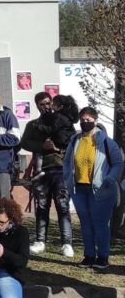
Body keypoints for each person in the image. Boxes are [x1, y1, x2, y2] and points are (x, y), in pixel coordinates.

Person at [62, 106, 123, 271]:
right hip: (79, 189)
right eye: (82, 120)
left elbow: (117, 163)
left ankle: (103, 257)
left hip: (101, 190)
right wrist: (67, 177)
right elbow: (67, 161)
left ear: (95, 121)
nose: (84, 123)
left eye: (88, 120)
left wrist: (110, 179)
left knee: (101, 224)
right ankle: (89, 255)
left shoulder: (106, 142)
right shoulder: (75, 140)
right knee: (86, 224)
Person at [20, 93, 77, 256]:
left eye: (47, 103)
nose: (45, 107)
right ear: (37, 106)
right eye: (41, 104)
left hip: (61, 168)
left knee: (63, 206)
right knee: (42, 206)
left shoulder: (63, 121)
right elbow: (24, 142)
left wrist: (59, 149)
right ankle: (40, 241)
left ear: (52, 103)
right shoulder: (33, 124)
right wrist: (42, 145)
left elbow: (72, 141)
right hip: (41, 170)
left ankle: (67, 243)